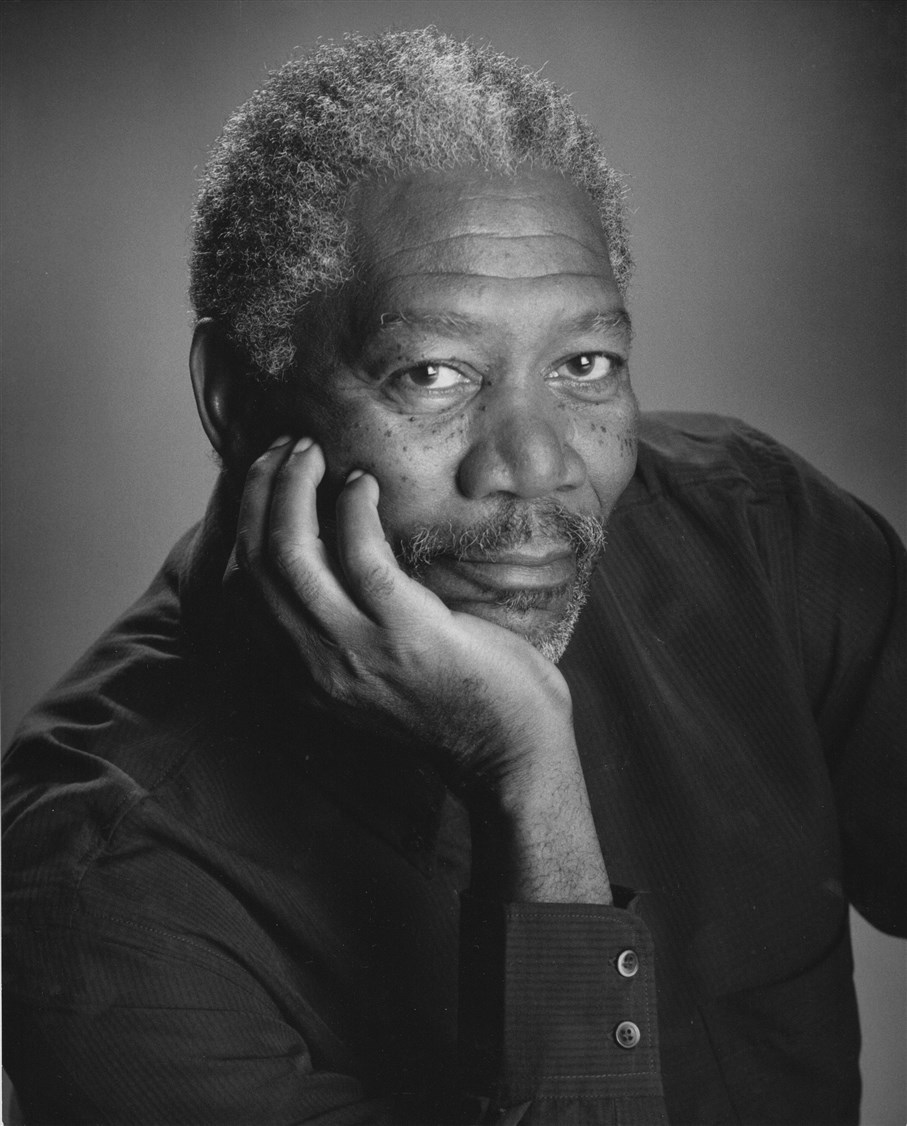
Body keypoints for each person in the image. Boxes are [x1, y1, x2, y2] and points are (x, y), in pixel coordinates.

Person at [3, 26, 904, 1126]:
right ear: (236, 398)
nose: (536, 465)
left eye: (583, 365)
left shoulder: (753, 535)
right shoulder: (97, 892)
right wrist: (523, 767)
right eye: (432, 373)